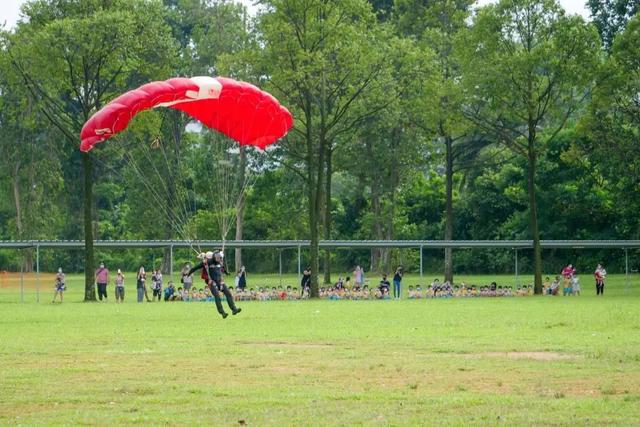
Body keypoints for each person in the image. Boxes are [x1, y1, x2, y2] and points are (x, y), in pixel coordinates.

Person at [185, 251, 241, 318]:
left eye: (219, 258)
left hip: (220, 281)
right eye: (217, 258)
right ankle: (222, 312)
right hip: (211, 282)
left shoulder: (219, 262)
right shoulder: (206, 263)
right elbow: (195, 268)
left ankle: (234, 309)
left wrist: (226, 272)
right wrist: (188, 274)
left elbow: (222, 268)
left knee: (228, 293)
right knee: (217, 296)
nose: (218, 259)